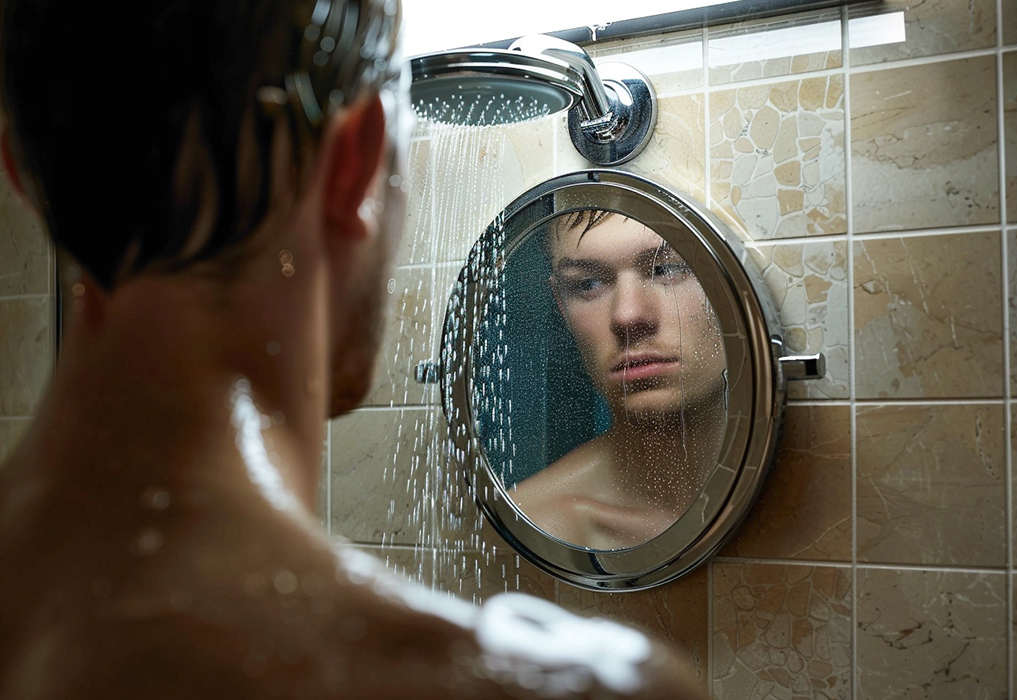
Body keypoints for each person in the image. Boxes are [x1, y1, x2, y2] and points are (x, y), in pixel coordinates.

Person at [0, 1, 709, 698]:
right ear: (355, 158)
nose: (629, 316)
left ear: (20, 172)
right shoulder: (555, 687)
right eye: (585, 282)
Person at [508, 211, 728, 551]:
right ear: (561, 307)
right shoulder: (531, 525)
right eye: (588, 284)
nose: (627, 315)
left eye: (667, 269)